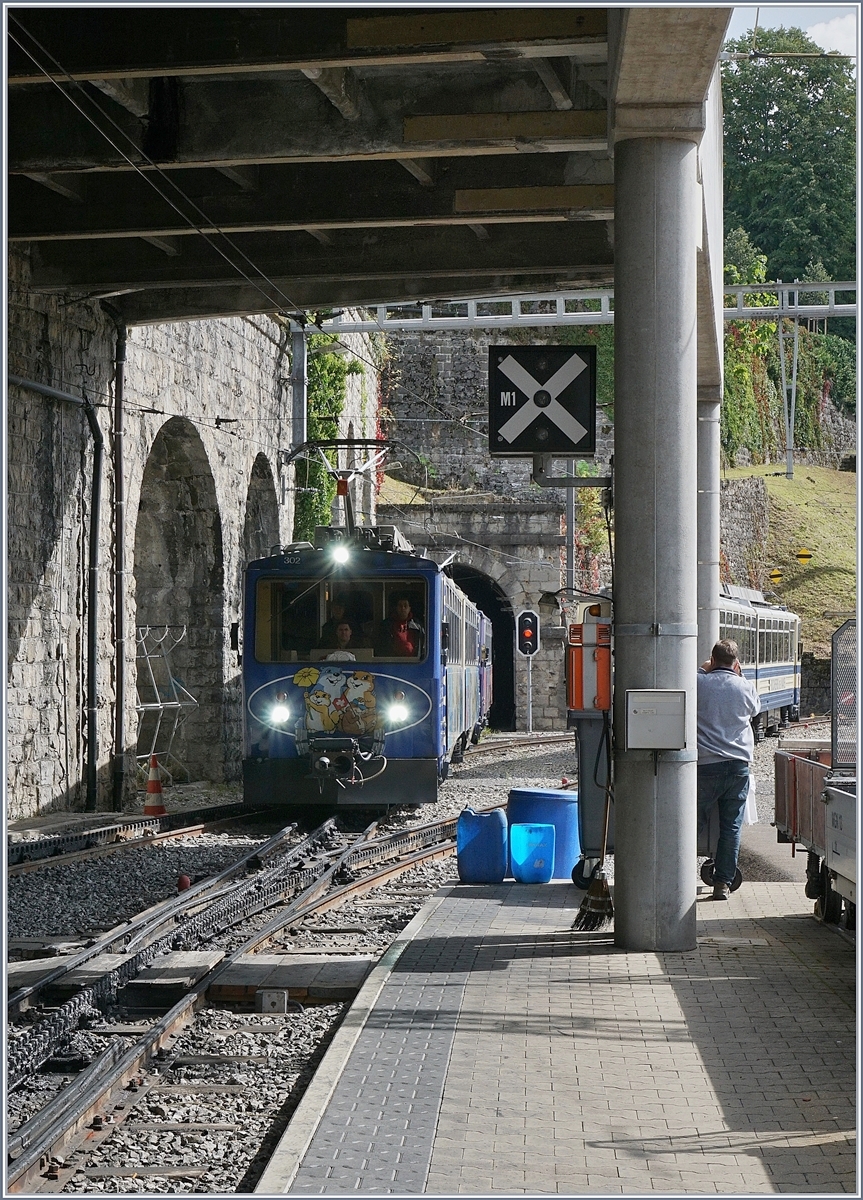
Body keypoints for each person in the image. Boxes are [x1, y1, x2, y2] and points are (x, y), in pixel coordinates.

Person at [697, 638, 760, 900]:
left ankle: (673, 873)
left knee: (689, 822)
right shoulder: (745, 686)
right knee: (731, 828)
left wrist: (703, 670)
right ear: (736, 663)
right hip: (738, 768)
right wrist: (739, 676)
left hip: (705, 766)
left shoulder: (699, 682)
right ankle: (722, 883)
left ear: (712, 660)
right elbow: (755, 711)